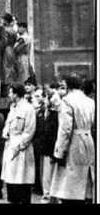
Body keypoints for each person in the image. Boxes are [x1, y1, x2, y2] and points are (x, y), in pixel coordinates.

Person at [50, 75, 95, 204]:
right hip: (88, 140)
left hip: (74, 142)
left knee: (69, 185)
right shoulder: (90, 101)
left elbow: (65, 129)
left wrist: (59, 152)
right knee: (85, 179)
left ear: (68, 86)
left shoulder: (67, 101)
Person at [1, 83, 36, 204]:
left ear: (16, 94)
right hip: (11, 145)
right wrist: (5, 133)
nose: (9, 95)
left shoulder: (28, 108)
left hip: (22, 149)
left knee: (22, 179)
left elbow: (29, 130)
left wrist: (20, 146)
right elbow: (8, 123)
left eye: (11, 92)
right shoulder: (13, 107)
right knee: (11, 179)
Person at [39, 83, 62, 203]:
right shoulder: (52, 115)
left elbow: (49, 133)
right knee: (50, 173)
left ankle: (49, 195)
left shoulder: (52, 117)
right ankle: (50, 194)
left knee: (48, 173)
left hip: (50, 148)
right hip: (50, 148)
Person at [2, 13, 17, 90]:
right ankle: (10, 85)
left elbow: (4, 41)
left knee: (6, 68)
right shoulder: (13, 30)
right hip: (11, 49)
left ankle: (7, 86)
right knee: (10, 68)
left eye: (3, 19)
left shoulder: (5, 30)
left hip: (6, 50)